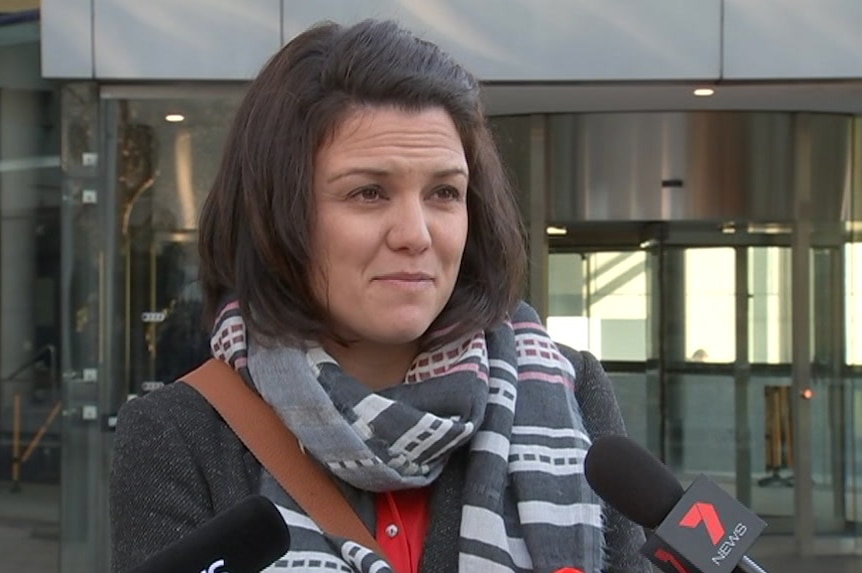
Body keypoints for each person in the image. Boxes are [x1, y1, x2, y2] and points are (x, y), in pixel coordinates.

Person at [109, 19, 649, 573]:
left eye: (444, 192)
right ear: (273, 214)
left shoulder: (571, 388)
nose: (416, 234)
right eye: (369, 193)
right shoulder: (179, 434)